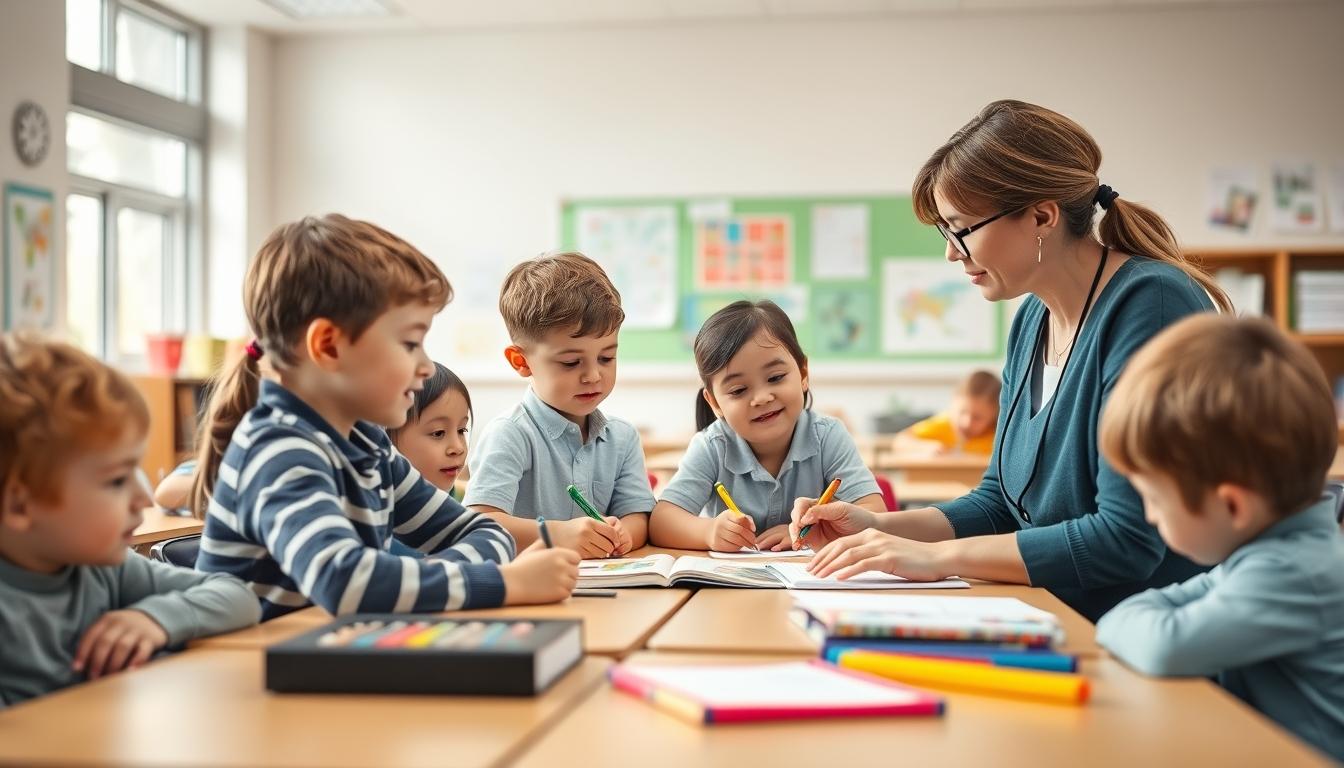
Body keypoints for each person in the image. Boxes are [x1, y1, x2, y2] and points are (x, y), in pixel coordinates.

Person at [793, 99, 1231, 621]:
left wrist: (934, 558)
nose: (952, 253)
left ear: (1041, 216)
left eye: (962, 229)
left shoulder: (1151, 305)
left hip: (1141, 637)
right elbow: (1000, 503)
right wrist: (879, 528)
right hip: (1051, 615)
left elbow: (1124, 539)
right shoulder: (1032, 319)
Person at [193, 214, 578, 620]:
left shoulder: (367, 444)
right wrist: (505, 583)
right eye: (410, 343)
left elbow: (485, 532)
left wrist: (415, 582)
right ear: (328, 346)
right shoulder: (279, 449)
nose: (427, 365)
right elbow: (348, 583)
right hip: (247, 674)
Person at [1094, 315, 1344, 761]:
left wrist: (1123, 623)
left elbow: (1165, 645)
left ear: (1233, 506)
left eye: (1153, 499)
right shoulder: (1260, 555)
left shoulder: (1290, 574)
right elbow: (1151, 616)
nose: (1149, 516)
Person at [0, 334, 259, 706]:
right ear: (21, 507)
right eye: (117, 480)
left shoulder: (104, 569)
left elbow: (238, 597)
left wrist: (155, 618)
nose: (142, 498)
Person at [649, 300, 883, 552]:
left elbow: (876, 515)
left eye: (775, 378)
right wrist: (709, 532)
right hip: (729, 586)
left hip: (812, 582)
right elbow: (662, 522)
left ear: (803, 373)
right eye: (738, 390)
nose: (761, 398)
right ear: (715, 402)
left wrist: (818, 530)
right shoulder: (712, 446)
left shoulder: (827, 435)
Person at [464, 252, 654, 559]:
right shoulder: (510, 434)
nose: (593, 375)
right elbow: (481, 523)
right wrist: (556, 535)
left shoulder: (622, 437)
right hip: (529, 593)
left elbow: (639, 517)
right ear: (521, 362)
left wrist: (623, 535)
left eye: (606, 358)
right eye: (571, 362)